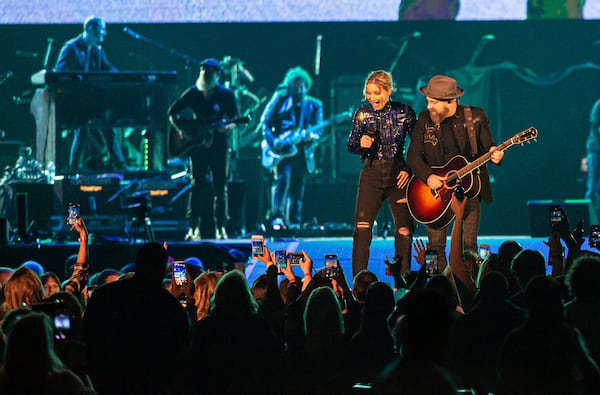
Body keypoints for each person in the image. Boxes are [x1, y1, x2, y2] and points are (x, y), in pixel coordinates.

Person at [407, 74, 504, 272]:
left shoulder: (475, 116)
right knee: (435, 249)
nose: (429, 106)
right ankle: (442, 290)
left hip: (468, 191)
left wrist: (496, 154)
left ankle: (467, 290)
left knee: (469, 248)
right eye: (428, 101)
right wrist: (428, 177)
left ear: (450, 101)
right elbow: (413, 156)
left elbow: (489, 147)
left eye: (433, 102)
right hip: (434, 195)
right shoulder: (424, 120)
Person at [347, 70, 416, 278]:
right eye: (369, 93)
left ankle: (402, 282)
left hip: (398, 175)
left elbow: (420, 146)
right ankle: (359, 284)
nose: (372, 98)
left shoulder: (405, 112)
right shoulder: (362, 114)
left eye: (376, 92)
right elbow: (350, 144)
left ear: (388, 90)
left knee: (404, 230)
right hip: (371, 174)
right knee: (362, 229)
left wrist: (408, 169)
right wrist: (360, 144)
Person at [168, 58, 239, 240]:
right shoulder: (192, 93)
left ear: (217, 74)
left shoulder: (226, 95)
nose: (205, 75)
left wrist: (226, 126)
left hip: (219, 145)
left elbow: (235, 120)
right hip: (197, 146)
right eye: (202, 71)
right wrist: (184, 130)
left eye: (208, 72)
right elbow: (172, 113)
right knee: (196, 184)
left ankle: (221, 227)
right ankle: (193, 227)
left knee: (220, 185)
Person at [54, 15, 128, 172]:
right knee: (82, 128)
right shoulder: (71, 48)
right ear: (91, 29)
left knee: (109, 126)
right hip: (73, 104)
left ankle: (121, 166)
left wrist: (125, 78)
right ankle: (73, 169)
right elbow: (58, 74)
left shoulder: (97, 51)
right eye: (102, 30)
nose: (104, 34)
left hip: (90, 103)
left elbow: (110, 69)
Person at [260, 66, 324, 229]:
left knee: (297, 186)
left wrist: (312, 136)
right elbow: (265, 123)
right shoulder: (281, 100)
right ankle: (277, 218)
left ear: (306, 85)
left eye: (302, 86)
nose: (299, 90)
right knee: (282, 180)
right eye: (295, 87)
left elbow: (320, 129)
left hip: (302, 152)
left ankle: (294, 221)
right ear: (290, 87)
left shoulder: (314, 104)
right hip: (283, 150)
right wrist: (274, 142)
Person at [585, 99, 600, 217]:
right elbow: (596, 127)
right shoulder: (598, 105)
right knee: (592, 187)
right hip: (596, 150)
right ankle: (588, 219)